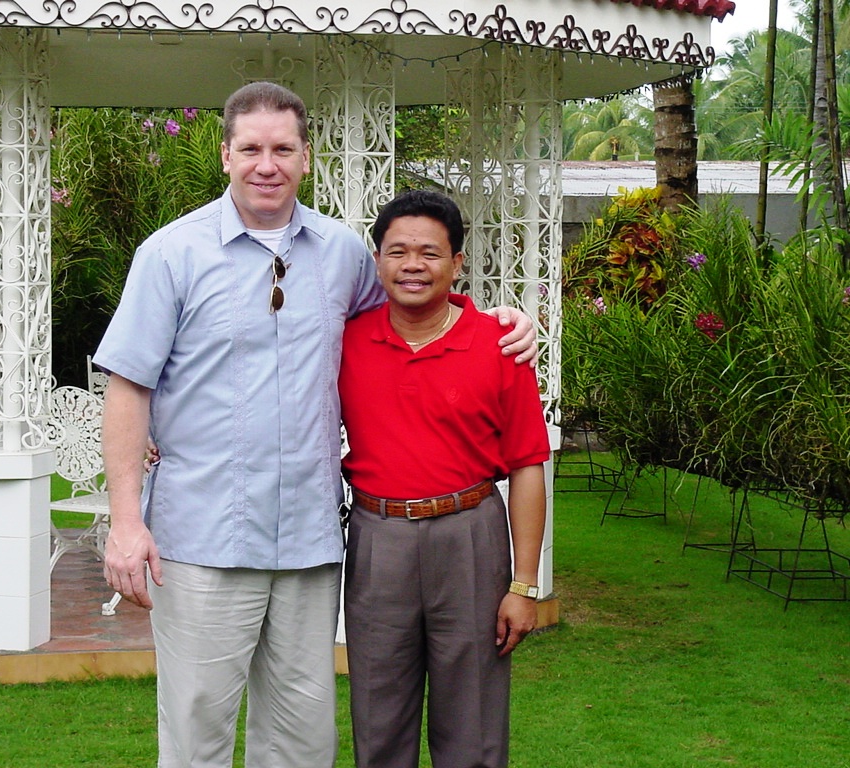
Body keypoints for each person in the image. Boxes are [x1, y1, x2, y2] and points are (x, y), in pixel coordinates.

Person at [93, 82, 538, 768]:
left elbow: (413, 303)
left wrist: (501, 321)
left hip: (308, 544)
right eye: (250, 148)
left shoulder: (342, 254)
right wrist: (126, 521)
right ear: (225, 156)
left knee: (301, 740)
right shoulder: (171, 254)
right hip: (203, 538)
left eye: (282, 148)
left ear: (306, 157)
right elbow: (128, 387)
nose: (265, 164)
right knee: (196, 730)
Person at [339, 189, 550, 768]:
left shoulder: (500, 345)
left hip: (471, 537)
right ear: (377, 260)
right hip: (379, 540)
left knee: (474, 730)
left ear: (457, 264)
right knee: (379, 723)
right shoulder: (345, 342)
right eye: (398, 251)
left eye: (430, 253)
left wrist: (524, 584)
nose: (413, 265)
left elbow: (529, 466)